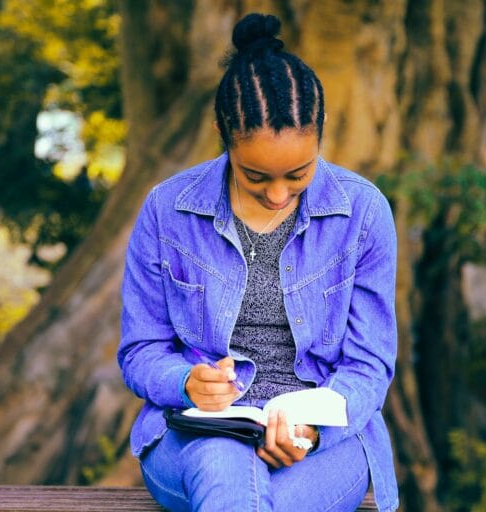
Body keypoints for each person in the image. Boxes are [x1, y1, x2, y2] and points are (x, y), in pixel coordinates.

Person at [117, 12, 399, 512]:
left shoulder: (363, 212)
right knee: (225, 467)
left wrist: (311, 426)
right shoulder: (167, 211)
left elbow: (369, 363)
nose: (277, 194)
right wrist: (185, 382)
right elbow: (141, 350)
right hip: (194, 438)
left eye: (298, 174)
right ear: (223, 132)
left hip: (324, 443)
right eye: (255, 176)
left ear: (321, 130)